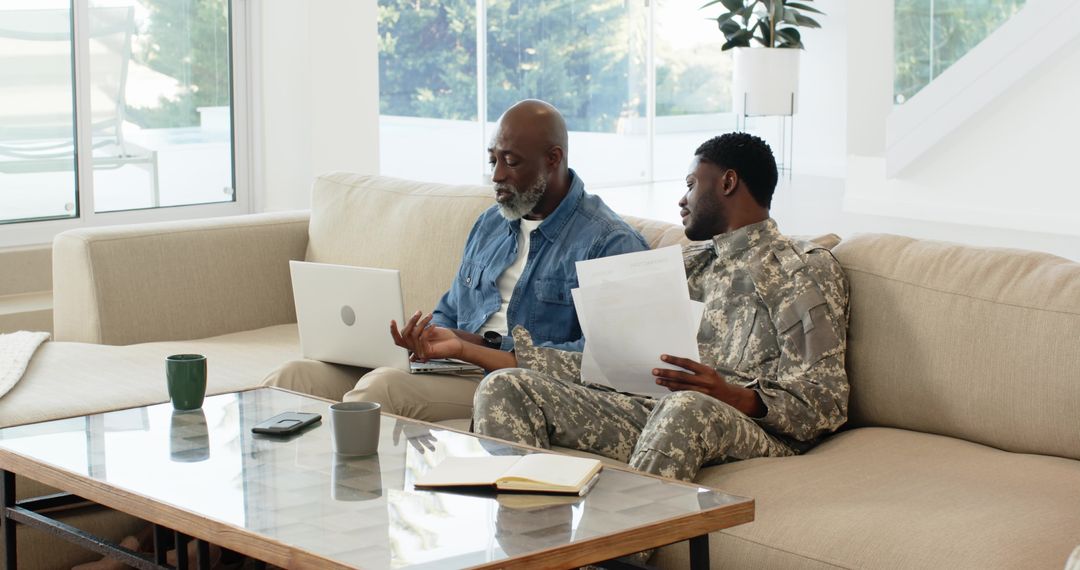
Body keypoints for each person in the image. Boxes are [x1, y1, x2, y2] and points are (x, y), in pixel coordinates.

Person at [404, 132, 850, 482]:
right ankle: (530, 549)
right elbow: (598, 359)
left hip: (746, 426)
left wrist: (730, 393)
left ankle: (613, 551)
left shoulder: (802, 270)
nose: (682, 199)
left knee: (688, 406)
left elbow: (824, 402)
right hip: (651, 408)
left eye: (692, 185)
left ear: (728, 182)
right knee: (506, 387)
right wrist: (467, 350)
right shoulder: (679, 266)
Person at [262, 99, 648, 420]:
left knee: (383, 390)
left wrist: (475, 349)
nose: (496, 174)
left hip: (514, 387)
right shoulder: (491, 223)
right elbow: (451, 310)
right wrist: (428, 335)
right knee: (293, 377)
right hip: (454, 367)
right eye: (493, 158)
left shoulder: (608, 243)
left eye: (510, 162)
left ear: (553, 159)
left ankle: (344, 505)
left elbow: (602, 358)